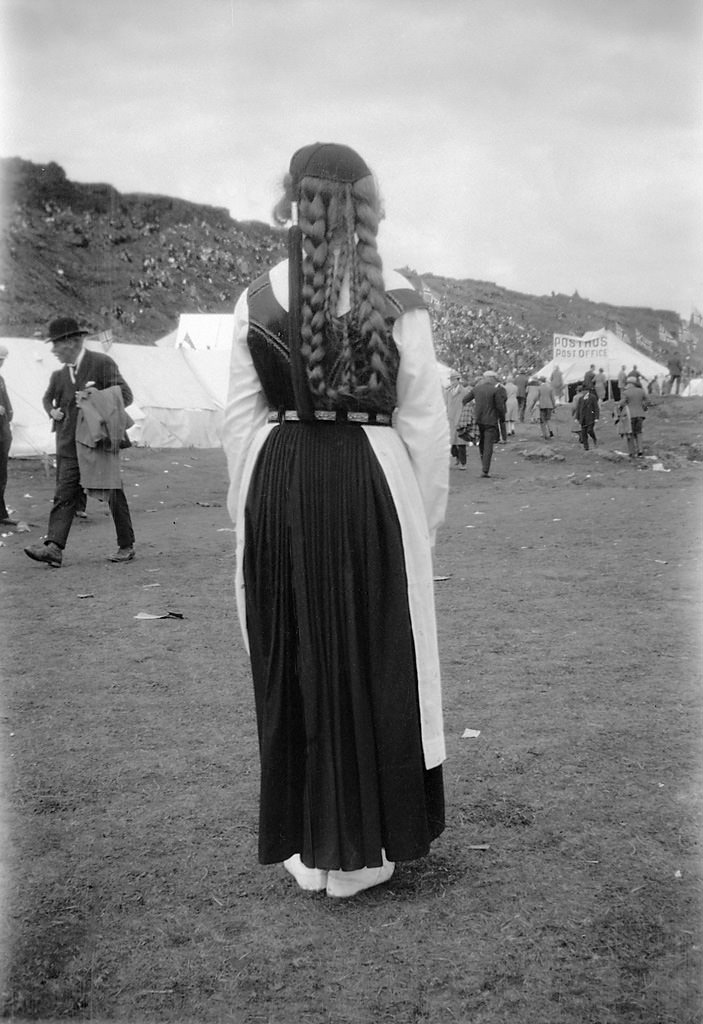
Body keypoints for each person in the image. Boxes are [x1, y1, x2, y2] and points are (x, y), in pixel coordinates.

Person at [222, 142, 449, 899]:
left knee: (296, 654)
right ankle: (372, 846)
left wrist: (247, 511)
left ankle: (311, 846)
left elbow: (237, 421)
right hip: (373, 479)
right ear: (364, 205)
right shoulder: (399, 295)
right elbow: (423, 421)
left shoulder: (255, 298)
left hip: (278, 477)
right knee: (378, 652)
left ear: (292, 199)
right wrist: (420, 524)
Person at [24, 316, 136, 568]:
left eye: (56, 344)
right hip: (67, 444)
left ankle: (126, 544)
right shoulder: (59, 375)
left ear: (73, 342)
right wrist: (53, 412)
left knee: (112, 493)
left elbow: (126, 396)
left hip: (97, 442)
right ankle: (54, 547)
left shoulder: (101, 363)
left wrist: (96, 397)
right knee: (63, 495)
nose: (52, 350)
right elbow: (48, 400)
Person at [462, 369, 506, 477]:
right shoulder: (495, 391)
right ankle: (485, 469)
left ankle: (483, 465)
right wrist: (502, 418)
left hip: (478, 420)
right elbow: (500, 407)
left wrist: (471, 410)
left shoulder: (477, 389)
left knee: (481, 443)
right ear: (492, 379)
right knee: (488, 445)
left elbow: (464, 400)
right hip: (491, 421)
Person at [0, 344, 15, 525]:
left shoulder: (0, 379)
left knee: (1, 475)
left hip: (3, 434)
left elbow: (7, 402)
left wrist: (10, 413)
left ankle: (1, 513)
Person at [617, 374, 649, 458]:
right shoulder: (641, 391)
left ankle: (632, 452)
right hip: (640, 415)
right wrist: (644, 408)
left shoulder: (625, 392)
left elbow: (621, 403)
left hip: (629, 416)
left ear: (629, 384)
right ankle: (640, 451)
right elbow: (646, 402)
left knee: (629, 433)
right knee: (638, 433)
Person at [444, 370, 469, 469]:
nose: (452, 382)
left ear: (458, 380)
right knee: (452, 443)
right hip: (450, 419)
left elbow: (468, 404)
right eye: (451, 380)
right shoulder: (448, 392)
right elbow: (445, 405)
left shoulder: (464, 392)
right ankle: (457, 457)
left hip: (460, 419)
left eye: (453, 380)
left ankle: (463, 463)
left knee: (461, 443)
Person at [575, 383, 600, 450]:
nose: (583, 392)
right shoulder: (581, 398)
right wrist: (577, 417)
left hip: (590, 417)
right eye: (582, 390)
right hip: (583, 418)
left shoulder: (592, 397)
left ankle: (594, 438)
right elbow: (579, 408)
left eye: (584, 390)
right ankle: (586, 447)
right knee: (583, 433)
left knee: (589, 430)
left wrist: (596, 417)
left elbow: (596, 408)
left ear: (587, 391)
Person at [536, 376, 555, 440]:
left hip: (542, 405)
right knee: (548, 419)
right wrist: (553, 406)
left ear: (541, 381)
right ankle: (551, 431)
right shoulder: (550, 388)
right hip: (549, 405)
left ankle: (545, 434)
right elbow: (552, 398)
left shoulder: (539, 388)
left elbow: (537, 397)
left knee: (542, 421)